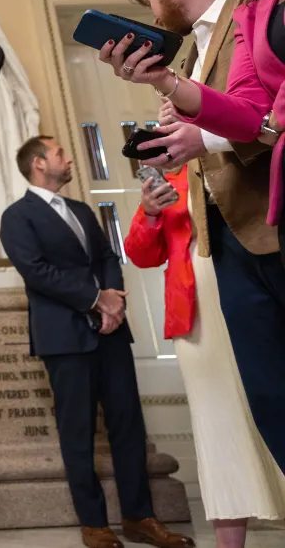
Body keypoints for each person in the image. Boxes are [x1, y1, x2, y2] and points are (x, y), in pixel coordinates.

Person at [99, 0, 285, 474]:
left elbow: (262, 120)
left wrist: (194, 131)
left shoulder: (255, 8)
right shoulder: (196, 46)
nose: (153, 13)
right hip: (227, 236)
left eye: (150, 0)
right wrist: (178, 122)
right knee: (271, 397)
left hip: (270, 220)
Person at [0, 136, 194, 548]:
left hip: (111, 332)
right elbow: (36, 272)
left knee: (128, 426)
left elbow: (108, 256)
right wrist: (95, 300)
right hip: (65, 338)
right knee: (77, 432)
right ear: (38, 164)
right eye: (58, 154)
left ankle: (140, 517)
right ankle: (93, 524)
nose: (68, 159)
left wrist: (114, 303)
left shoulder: (82, 210)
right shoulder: (18, 217)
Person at [124, 168, 285, 548]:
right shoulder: (171, 175)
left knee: (276, 403)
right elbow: (141, 254)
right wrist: (148, 212)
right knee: (218, 428)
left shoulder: (239, 157)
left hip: (259, 293)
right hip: (197, 314)